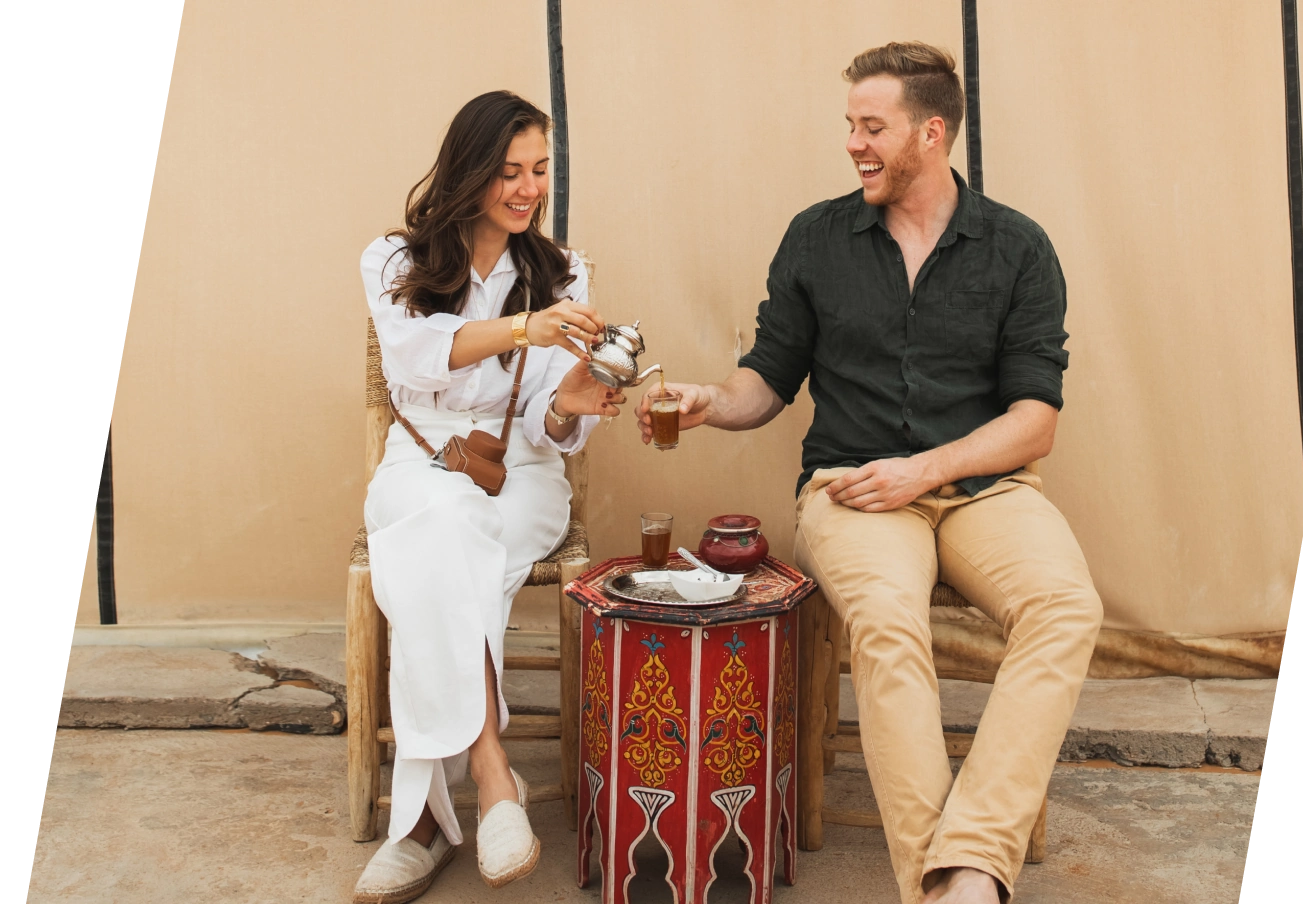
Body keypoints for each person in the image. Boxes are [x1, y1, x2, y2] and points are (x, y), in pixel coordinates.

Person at [637, 42, 1102, 904]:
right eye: (851, 124)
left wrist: (924, 471)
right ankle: (946, 887)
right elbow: (768, 380)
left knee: (1068, 608)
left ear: (931, 132)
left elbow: (1034, 420)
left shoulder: (1018, 247)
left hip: (983, 488)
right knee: (888, 622)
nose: (854, 143)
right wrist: (711, 400)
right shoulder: (817, 238)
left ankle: (970, 862)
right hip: (853, 492)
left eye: (872, 127)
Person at [354, 90, 623, 903]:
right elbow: (412, 359)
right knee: (443, 523)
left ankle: (423, 825)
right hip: (420, 461)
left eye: (539, 169)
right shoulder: (393, 260)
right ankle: (493, 771)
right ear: (468, 170)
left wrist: (569, 402)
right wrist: (521, 329)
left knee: (443, 544)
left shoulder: (560, 271)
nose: (527, 188)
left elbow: (547, 421)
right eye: (509, 171)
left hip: (521, 475)